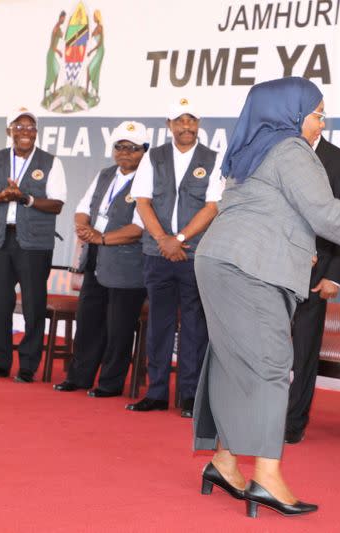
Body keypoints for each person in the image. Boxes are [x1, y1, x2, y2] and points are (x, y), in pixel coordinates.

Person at [192, 76, 340, 518]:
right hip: (249, 268)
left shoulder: (249, 148)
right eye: (318, 114)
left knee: (233, 364)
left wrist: (297, 249)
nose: (322, 124)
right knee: (270, 369)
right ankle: (266, 477)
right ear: (292, 113)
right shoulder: (290, 149)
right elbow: (324, 213)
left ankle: (225, 461)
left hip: (220, 259)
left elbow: (265, 212)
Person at [127, 98, 222, 418]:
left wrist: (178, 240)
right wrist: (163, 241)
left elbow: (212, 206)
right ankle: (155, 392)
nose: (186, 126)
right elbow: (142, 202)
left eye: (191, 120)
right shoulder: (153, 158)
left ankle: (190, 395)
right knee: (159, 323)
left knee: (195, 325)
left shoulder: (213, 159)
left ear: (198, 124)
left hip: (194, 254)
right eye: (179, 120)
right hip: (157, 253)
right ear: (168, 125)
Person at [0, 107, 67, 383]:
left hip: (34, 244)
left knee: (34, 304)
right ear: (9, 131)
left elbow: (57, 204)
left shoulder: (51, 162)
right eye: (20, 127)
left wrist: (26, 199)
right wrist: (2, 195)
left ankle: (28, 365)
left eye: (31, 127)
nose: (26, 132)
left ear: (37, 132)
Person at [53, 121, 148, 397]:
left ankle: (110, 383)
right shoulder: (105, 174)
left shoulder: (149, 180)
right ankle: (79, 377)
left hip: (128, 264)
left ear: (144, 151)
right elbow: (83, 208)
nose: (125, 153)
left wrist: (102, 237)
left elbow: (139, 228)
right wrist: (84, 228)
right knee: (89, 321)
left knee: (119, 329)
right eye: (120, 146)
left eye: (133, 148)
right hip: (96, 259)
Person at [285, 135, 340, 445]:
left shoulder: (339, 161)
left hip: (316, 274)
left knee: (303, 352)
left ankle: (292, 423)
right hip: (272, 266)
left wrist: (336, 275)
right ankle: (260, 414)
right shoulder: (281, 154)